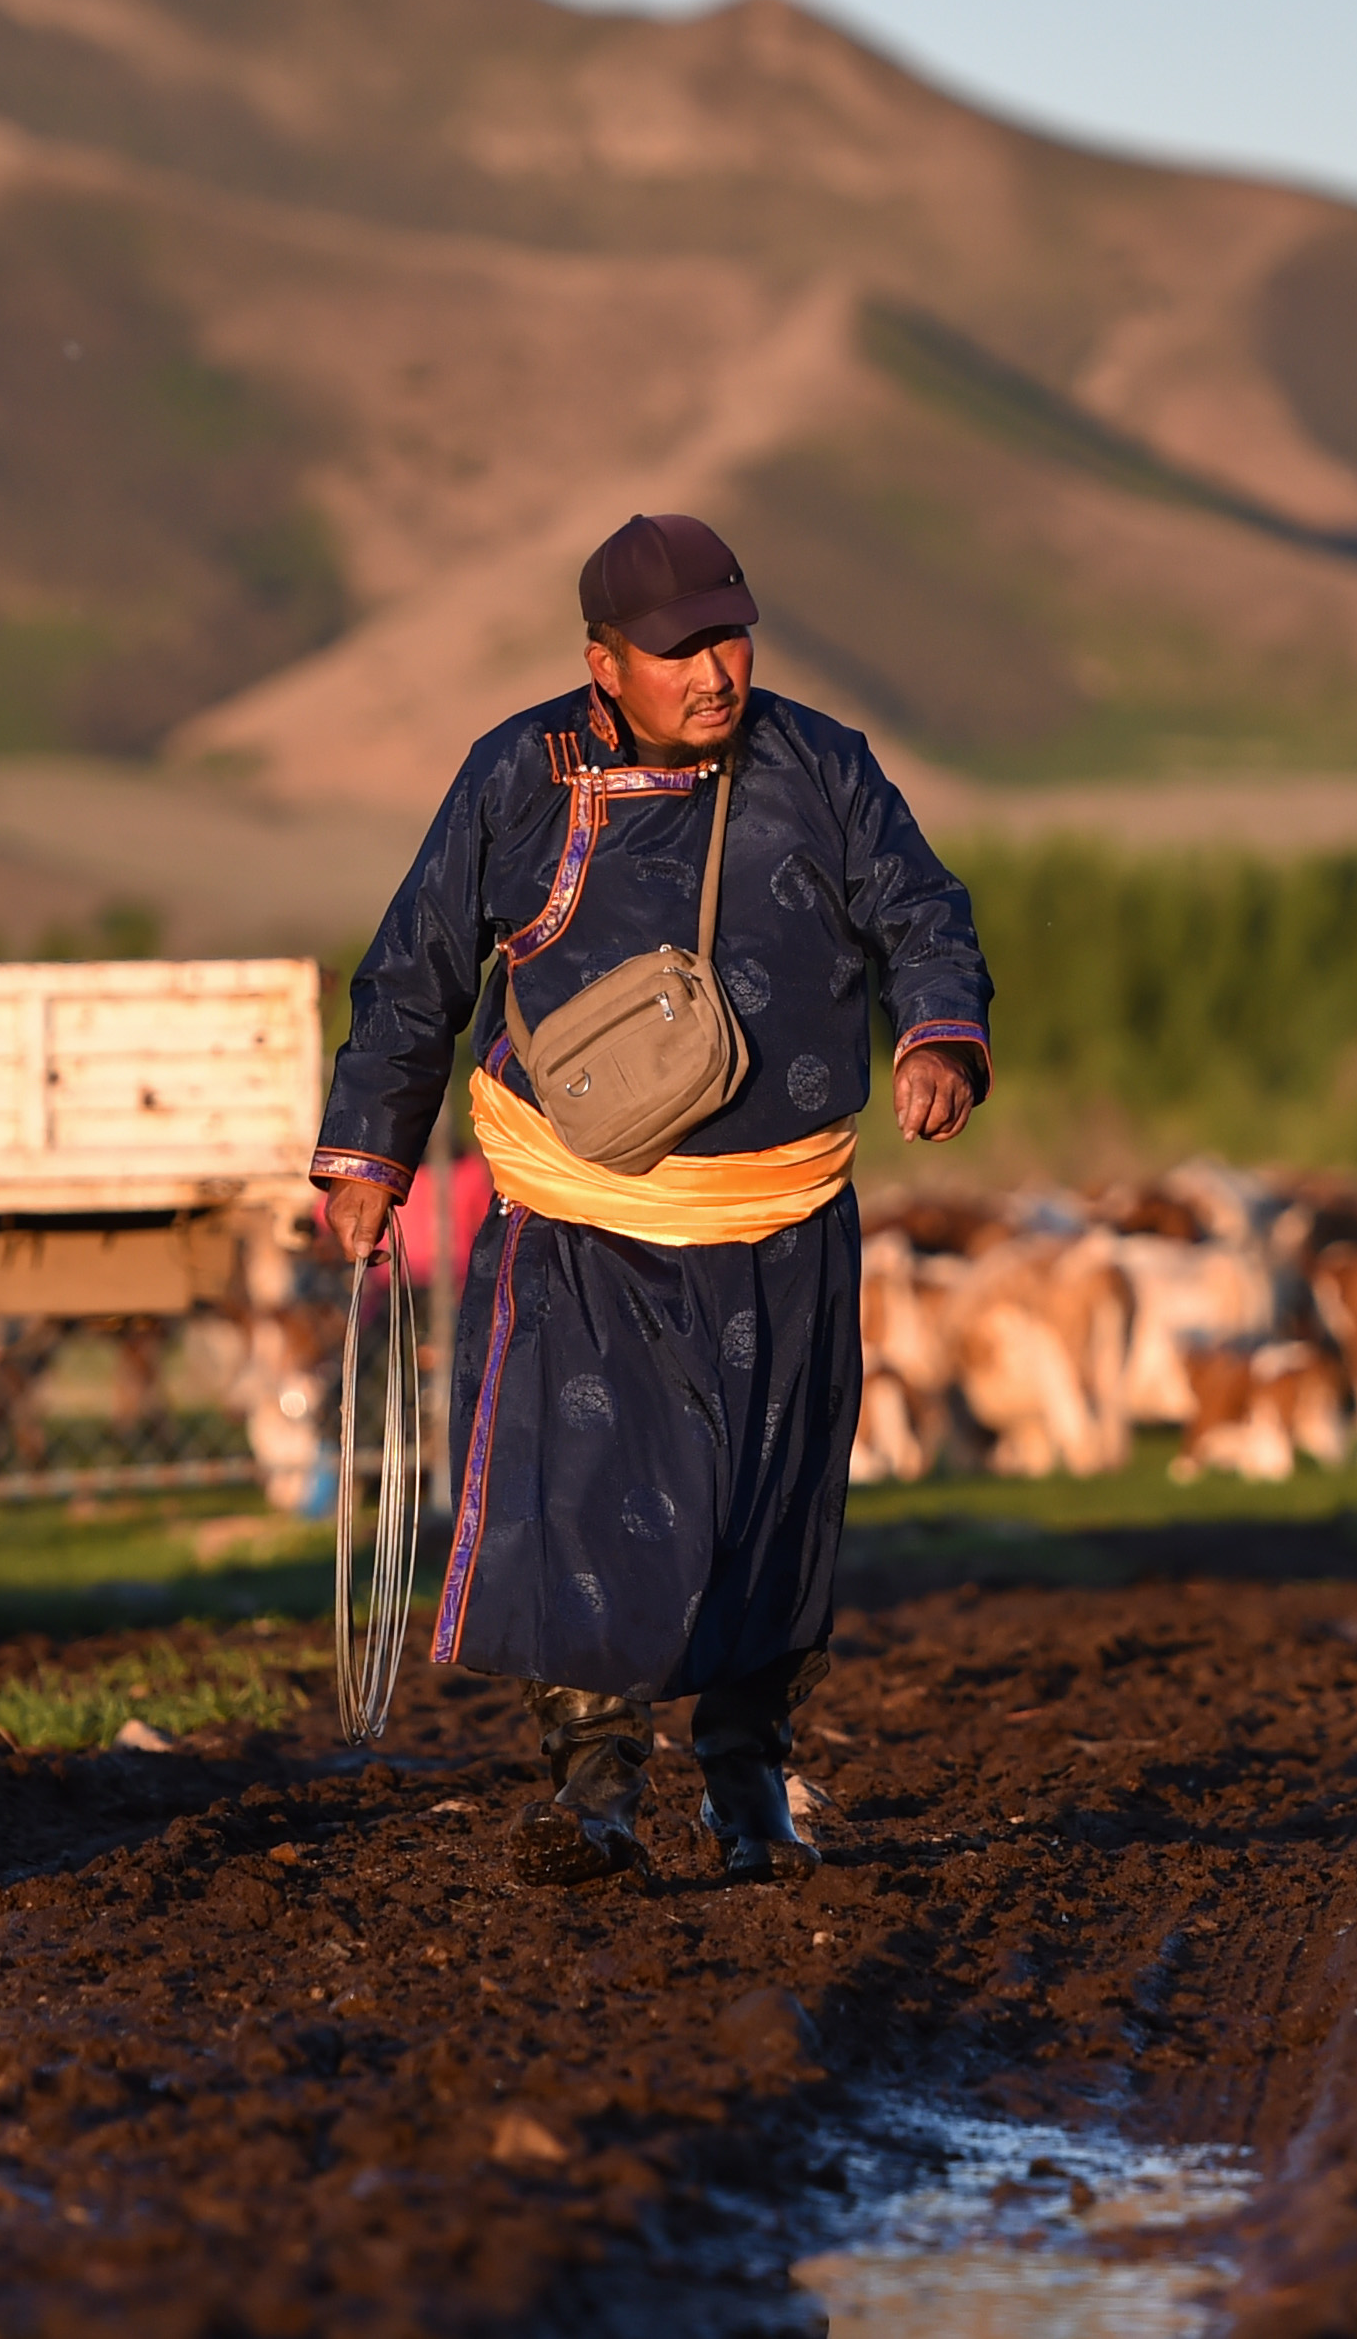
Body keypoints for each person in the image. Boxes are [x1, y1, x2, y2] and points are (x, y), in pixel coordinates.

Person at [313, 513, 992, 1890]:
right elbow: (416, 973)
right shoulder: (519, 774)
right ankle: (593, 1788)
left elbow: (923, 912)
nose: (713, 671)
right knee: (580, 1496)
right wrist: (367, 1154)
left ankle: (750, 1788)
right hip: (577, 1225)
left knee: (766, 1507)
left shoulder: (825, 767)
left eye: (727, 636)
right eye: (677, 648)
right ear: (601, 659)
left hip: (780, 1223)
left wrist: (936, 1033)